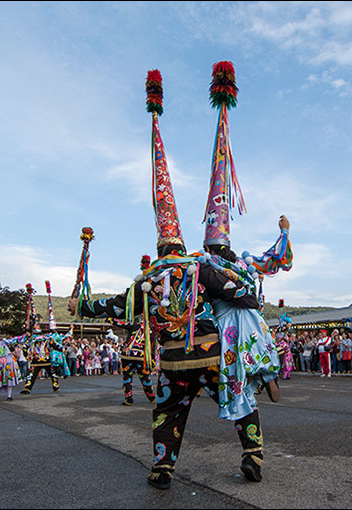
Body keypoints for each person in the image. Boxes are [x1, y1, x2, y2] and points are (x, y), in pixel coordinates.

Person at [69, 67, 269, 489]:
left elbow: (112, 307)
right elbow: (240, 293)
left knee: (167, 411)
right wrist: (248, 299)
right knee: (239, 399)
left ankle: (163, 467)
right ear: (180, 243)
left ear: (161, 243)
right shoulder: (201, 268)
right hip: (213, 354)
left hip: (174, 359)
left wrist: (81, 306)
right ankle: (253, 454)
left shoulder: (147, 279)